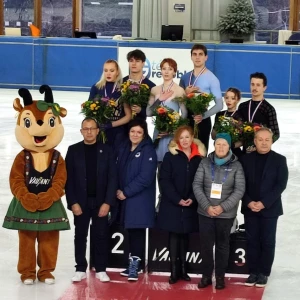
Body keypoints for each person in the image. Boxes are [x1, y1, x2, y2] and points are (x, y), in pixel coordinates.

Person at [65, 117, 117, 283]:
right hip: (80, 203)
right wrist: (73, 202)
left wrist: (108, 202)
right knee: (80, 235)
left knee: (101, 235)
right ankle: (80, 268)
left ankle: (101, 268)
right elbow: (68, 180)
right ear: (81, 131)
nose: (88, 131)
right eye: (85, 129)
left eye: (91, 128)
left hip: (101, 202)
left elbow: (112, 178)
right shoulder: (73, 151)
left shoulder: (107, 150)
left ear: (97, 131)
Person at [193, 133, 245, 290]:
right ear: (214, 145)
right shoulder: (204, 163)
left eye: (224, 144)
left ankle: (220, 277)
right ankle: (206, 276)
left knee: (223, 246)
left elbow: (239, 190)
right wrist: (207, 206)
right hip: (205, 212)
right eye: (218, 144)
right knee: (206, 245)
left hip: (226, 214)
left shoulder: (237, 166)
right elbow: (197, 185)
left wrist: (222, 207)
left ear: (229, 146)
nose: (221, 147)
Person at [157, 125, 206, 284]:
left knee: (185, 235)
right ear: (177, 139)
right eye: (182, 137)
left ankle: (184, 269)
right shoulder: (169, 156)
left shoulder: (199, 158)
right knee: (174, 235)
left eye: (188, 137)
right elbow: (164, 180)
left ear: (192, 138)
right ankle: (173, 270)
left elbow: (202, 181)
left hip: (191, 203)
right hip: (173, 203)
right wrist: (177, 199)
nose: (185, 140)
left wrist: (192, 197)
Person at [240, 127, 288, 288]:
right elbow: (241, 184)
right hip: (250, 208)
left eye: (267, 139)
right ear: (254, 141)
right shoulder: (245, 160)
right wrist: (248, 202)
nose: (264, 142)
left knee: (268, 241)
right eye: (260, 139)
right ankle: (253, 272)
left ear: (272, 141)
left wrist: (264, 203)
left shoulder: (280, 160)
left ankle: (264, 273)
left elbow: (280, 185)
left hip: (270, 209)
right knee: (252, 240)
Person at [116, 119, 157, 281]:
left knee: (137, 232)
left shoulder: (148, 151)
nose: (135, 135)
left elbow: (145, 177)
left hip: (139, 200)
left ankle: (135, 267)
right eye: (133, 131)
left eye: (139, 132)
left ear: (144, 134)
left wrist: (125, 192)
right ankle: (133, 263)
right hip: (125, 198)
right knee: (131, 232)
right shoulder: (124, 148)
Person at [179, 44, 223, 151]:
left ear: (206, 57)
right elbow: (178, 100)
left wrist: (203, 116)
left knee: (200, 154)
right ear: (191, 57)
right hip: (186, 120)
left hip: (202, 120)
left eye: (200, 54)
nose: (197, 57)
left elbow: (219, 105)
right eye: (194, 54)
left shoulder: (212, 79)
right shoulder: (185, 78)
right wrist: (185, 93)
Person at [147, 58, 188, 163]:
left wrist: (173, 129)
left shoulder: (179, 90)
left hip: (173, 133)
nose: (166, 72)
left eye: (170, 69)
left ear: (174, 71)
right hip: (158, 133)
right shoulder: (155, 90)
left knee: (172, 164)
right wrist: (160, 99)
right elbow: (148, 112)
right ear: (160, 70)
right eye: (164, 68)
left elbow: (184, 114)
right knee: (158, 164)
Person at [89, 59, 131, 150]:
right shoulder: (96, 87)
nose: (108, 73)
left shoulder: (123, 88)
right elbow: (89, 112)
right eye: (106, 70)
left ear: (117, 72)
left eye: (112, 71)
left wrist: (111, 125)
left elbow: (128, 116)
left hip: (118, 132)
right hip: (100, 131)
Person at [238, 72, 280, 152]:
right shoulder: (243, 106)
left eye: (258, 85)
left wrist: (261, 145)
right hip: (245, 152)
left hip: (262, 153)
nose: (254, 87)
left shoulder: (269, 109)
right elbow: (238, 128)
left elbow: (276, 133)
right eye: (252, 84)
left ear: (264, 88)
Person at [123, 49, 156, 120]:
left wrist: (141, 110)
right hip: (122, 127)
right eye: (131, 61)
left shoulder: (151, 86)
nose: (134, 63)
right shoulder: (121, 82)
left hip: (140, 126)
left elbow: (152, 111)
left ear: (143, 63)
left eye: (137, 61)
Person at [211, 87, 243, 158]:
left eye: (232, 98)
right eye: (227, 97)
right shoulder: (220, 114)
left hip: (234, 152)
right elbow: (213, 136)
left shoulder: (241, 115)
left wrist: (232, 145)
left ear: (238, 100)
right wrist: (218, 129)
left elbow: (243, 139)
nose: (229, 100)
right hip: (220, 150)